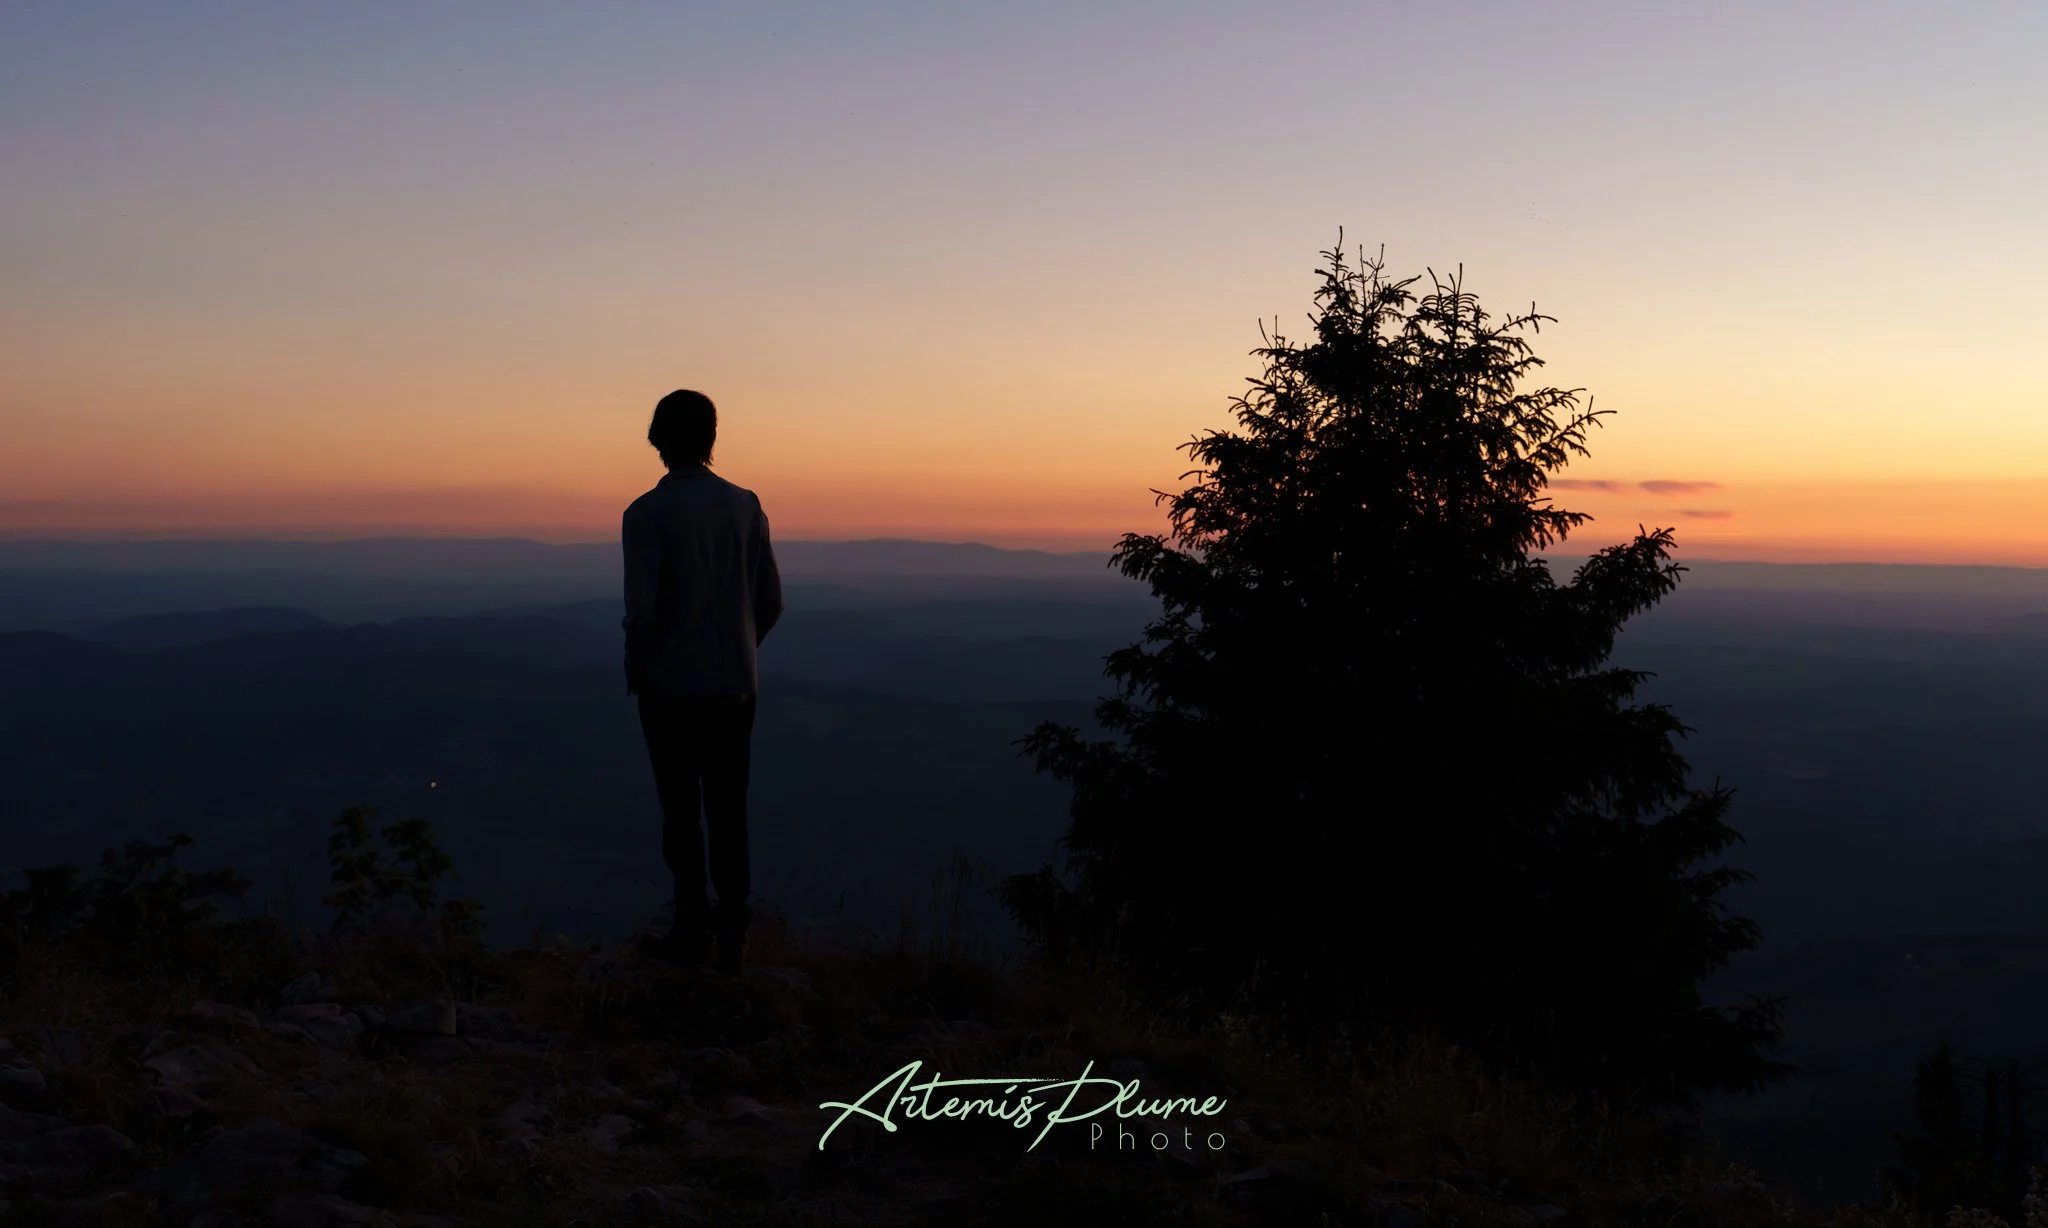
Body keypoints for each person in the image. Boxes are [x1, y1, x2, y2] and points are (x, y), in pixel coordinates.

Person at [622, 389, 783, 974]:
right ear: (711, 440)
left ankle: (690, 927)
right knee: (728, 807)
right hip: (736, 688)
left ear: (657, 440)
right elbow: (770, 601)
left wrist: (639, 670)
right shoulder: (746, 506)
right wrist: (739, 650)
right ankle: (733, 934)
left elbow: (642, 610)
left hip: (669, 689)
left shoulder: (646, 515)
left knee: (680, 810)